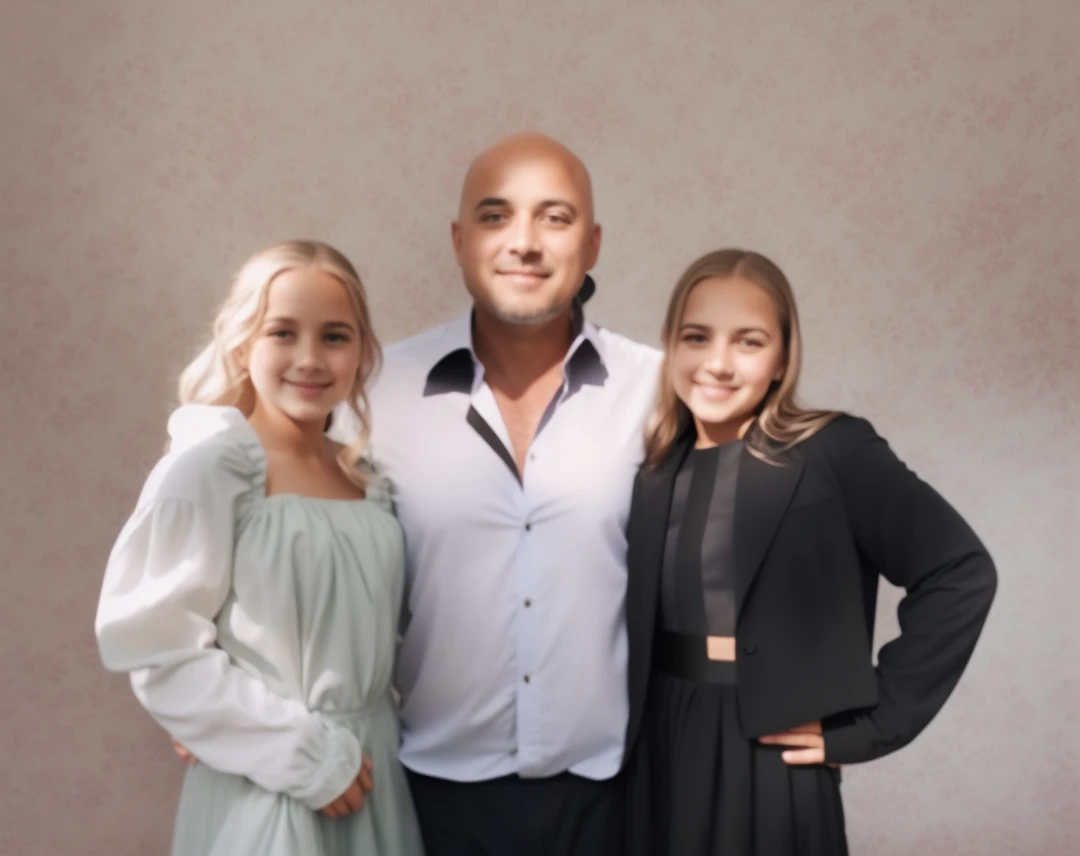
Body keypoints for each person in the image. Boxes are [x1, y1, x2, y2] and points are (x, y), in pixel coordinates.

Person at [331, 132, 661, 855]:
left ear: (594, 242)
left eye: (556, 217)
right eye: (495, 215)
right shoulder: (374, 395)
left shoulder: (660, 390)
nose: (525, 242)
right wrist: (225, 707)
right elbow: (292, 545)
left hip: (615, 800)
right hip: (426, 796)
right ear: (458, 240)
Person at [623, 248, 998, 855]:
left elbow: (961, 571)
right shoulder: (652, 467)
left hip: (769, 750)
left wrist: (872, 723)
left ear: (781, 359)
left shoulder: (834, 451)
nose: (717, 364)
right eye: (697, 337)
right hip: (655, 744)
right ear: (670, 344)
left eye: (748, 342)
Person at [95, 240, 424, 856]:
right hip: (272, 787)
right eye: (282, 332)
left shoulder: (369, 481)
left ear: (363, 352)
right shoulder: (213, 467)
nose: (310, 358)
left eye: (334, 336)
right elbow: (156, 643)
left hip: (377, 778)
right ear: (244, 345)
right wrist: (300, 756)